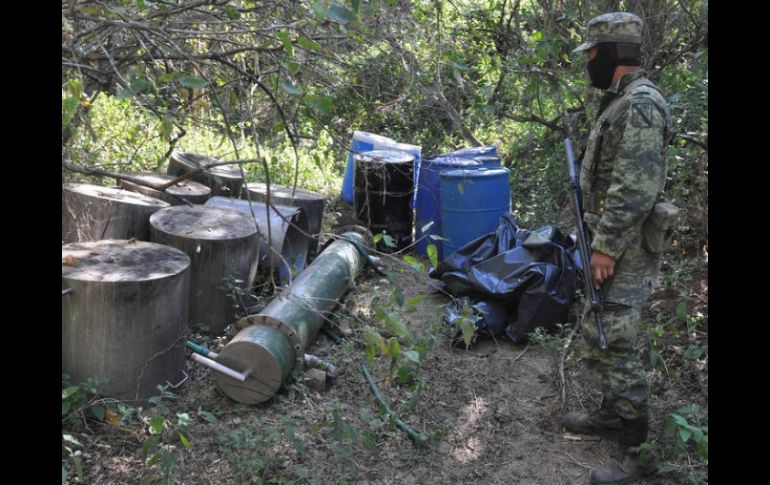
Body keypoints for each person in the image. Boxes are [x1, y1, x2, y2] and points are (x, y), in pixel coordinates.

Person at [565, 12, 675, 485]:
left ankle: (638, 452)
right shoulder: (622, 102)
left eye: (592, 53)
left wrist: (605, 248)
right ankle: (614, 412)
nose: (588, 62)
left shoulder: (641, 105)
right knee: (600, 330)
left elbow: (635, 189)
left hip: (623, 247)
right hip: (611, 241)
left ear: (611, 53)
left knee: (618, 341)